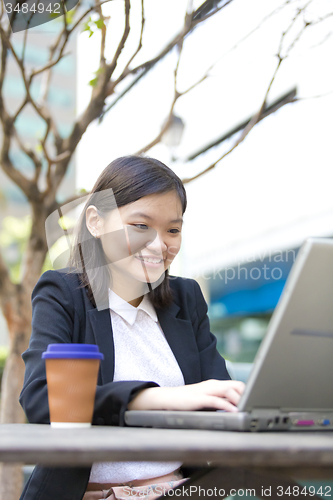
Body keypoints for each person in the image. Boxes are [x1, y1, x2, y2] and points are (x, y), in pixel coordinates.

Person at [19, 156, 245, 500]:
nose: (159, 245)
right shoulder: (63, 294)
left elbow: (218, 397)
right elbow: (42, 399)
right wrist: (155, 398)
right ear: (96, 222)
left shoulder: (186, 297)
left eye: (173, 229)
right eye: (141, 226)